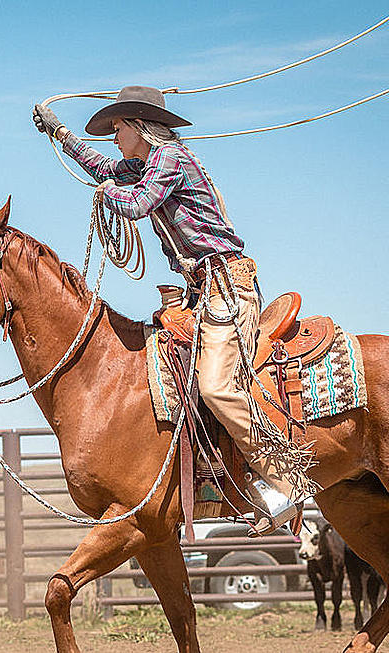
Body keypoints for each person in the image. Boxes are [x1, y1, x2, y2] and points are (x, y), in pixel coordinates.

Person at [33, 86, 318, 535]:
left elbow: (136, 203)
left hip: (228, 286)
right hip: (202, 290)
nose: (113, 136)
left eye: (117, 127)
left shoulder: (170, 159)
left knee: (217, 386)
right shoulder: (148, 163)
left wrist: (108, 191)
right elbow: (106, 168)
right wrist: (61, 134)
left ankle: (285, 482)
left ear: (139, 125)